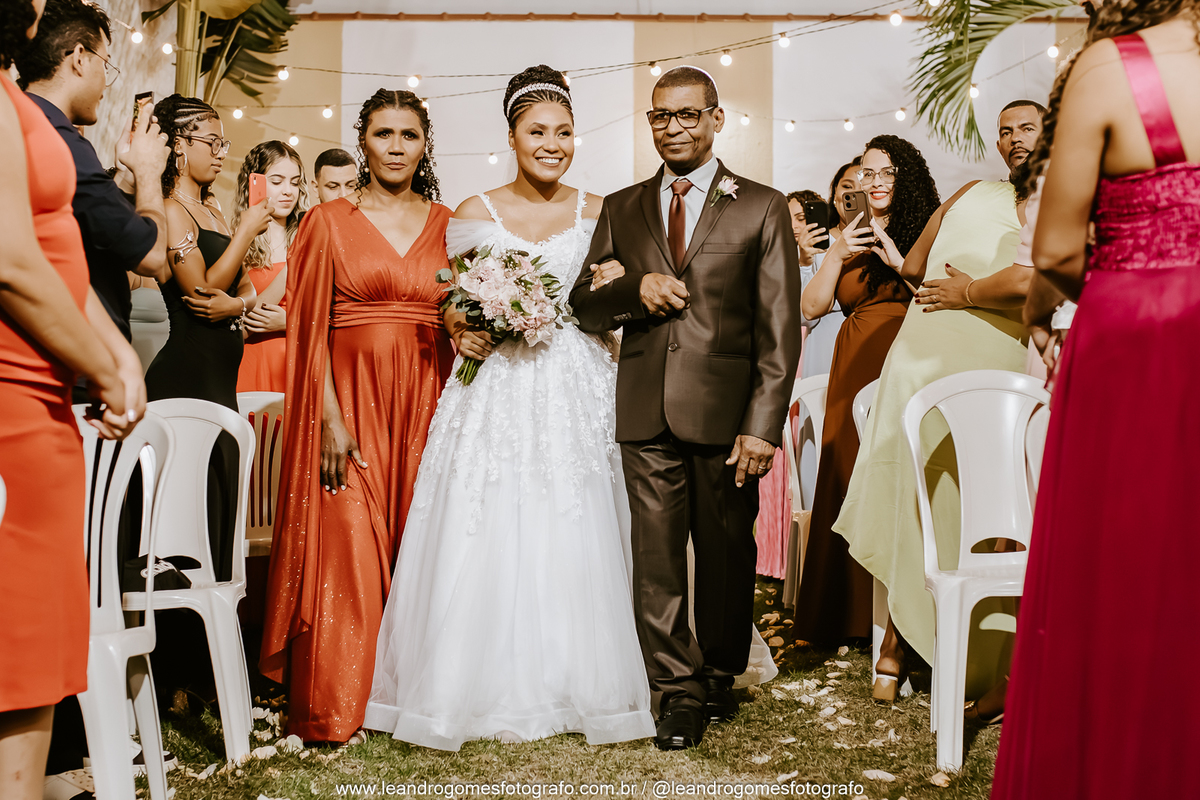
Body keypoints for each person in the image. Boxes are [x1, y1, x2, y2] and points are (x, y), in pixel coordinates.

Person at [363, 65, 655, 752]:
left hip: (579, 378)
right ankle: (475, 680)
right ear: (512, 137)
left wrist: (615, 287)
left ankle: (585, 676)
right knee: (486, 514)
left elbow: (613, 301)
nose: (552, 145)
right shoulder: (473, 213)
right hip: (496, 383)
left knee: (579, 515)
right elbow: (450, 297)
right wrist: (464, 322)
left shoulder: (604, 210)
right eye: (537, 132)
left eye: (564, 132)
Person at [993, 3, 1200, 797]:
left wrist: (1054, 303)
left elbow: (1054, 249)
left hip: (1142, 335)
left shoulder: (1112, 65)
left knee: (1127, 564)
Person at [570, 65, 802, 751]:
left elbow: (779, 329)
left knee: (727, 550)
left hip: (728, 418)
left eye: (688, 114)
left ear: (715, 119)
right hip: (645, 410)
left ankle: (721, 670)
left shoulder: (761, 205)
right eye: (660, 116)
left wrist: (762, 426)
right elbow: (585, 306)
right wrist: (634, 290)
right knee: (658, 558)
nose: (673, 127)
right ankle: (676, 690)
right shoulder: (622, 207)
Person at [261, 89, 456, 745]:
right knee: (346, 542)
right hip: (348, 403)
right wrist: (327, 417)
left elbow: (463, 318)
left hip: (428, 404)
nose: (396, 147)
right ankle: (339, 702)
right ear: (363, 141)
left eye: (409, 134)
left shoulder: (450, 224)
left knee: (423, 547)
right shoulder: (326, 222)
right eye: (383, 134)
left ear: (425, 144)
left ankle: (411, 698)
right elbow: (307, 327)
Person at [834, 101, 1045, 705]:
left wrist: (962, 290)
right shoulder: (981, 192)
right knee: (936, 497)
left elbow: (1035, 278)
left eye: (1026, 127)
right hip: (945, 358)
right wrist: (960, 290)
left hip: (971, 360)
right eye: (1004, 130)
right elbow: (919, 266)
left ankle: (901, 654)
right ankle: (921, 648)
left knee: (947, 500)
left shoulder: (1028, 199)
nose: (1013, 137)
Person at [0, 1, 143, 797]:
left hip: (45, 397)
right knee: (14, 645)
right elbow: (11, 261)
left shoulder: (11, 94)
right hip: (11, 393)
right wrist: (104, 364)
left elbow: (52, 248)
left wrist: (115, 351)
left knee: (33, 652)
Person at [791, 136, 940, 649]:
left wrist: (898, 259)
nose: (874, 183)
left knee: (899, 477)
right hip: (854, 362)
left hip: (910, 356)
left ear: (905, 177)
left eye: (885, 172)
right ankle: (845, 614)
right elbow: (811, 307)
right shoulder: (847, 236)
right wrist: (836, 254)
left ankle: (902, 617)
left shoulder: (927, 228)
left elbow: (935, 295)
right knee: (845, 472)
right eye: (866, 174)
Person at [15, 0, 169, 382]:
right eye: (107, 64)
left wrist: (127, 178)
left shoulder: (17, 118)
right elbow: (151, 256)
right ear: (80, 59)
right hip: (75, 365)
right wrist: (149, 172)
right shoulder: (57, 138)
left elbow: (84, 226)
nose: (105, 83)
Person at [782, 164, 859, 612]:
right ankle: (816, 581)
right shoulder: (819, 247)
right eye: (846, 186)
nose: (854, 192)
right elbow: (799, 310)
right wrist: (803, 260)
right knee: (815, 459)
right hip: (821, 354)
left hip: (861, 351)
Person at [755, 188, 831, 582]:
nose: (795, 226)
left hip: (813, 354)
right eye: (789, 219)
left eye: (802, 217)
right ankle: (777, 558)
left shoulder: (829, 254)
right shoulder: (773, 256)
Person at [234, 140, 307, 394]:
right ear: (254, 184)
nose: (288, 191)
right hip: (252, 364)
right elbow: (238, 328)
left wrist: (291, 322)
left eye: (295, 182)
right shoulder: (239, 243)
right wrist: (293, 265)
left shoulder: (313, 237)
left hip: (298, 363)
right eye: (277, 181)